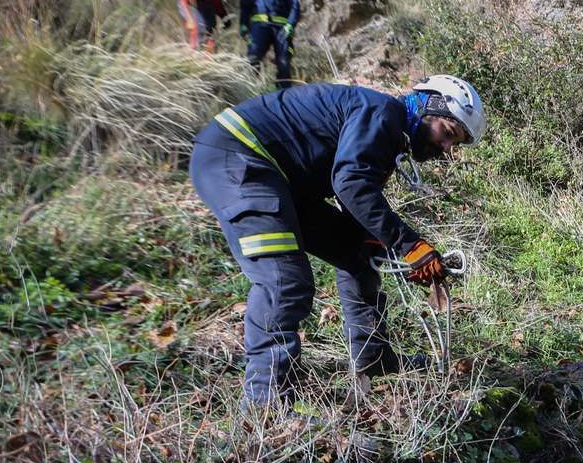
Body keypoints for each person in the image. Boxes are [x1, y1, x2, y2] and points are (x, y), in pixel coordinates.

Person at [188, 76, 484, 408]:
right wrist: (409, 245)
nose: (446, 148)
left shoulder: (388, 128)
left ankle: (373, 359)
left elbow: (353, 191)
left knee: (361, 248)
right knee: (285, 280)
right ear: (429, 108)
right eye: (448, 132)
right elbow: (351, 183)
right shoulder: (383, 113)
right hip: (238, 156)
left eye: (453, 143)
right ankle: (264, 404)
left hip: (278, 177)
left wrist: (383, 239)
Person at [239, 0, 300, 89]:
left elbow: (295, 6)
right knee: (252, 61)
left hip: (282, 30)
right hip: (258, 29)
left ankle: (284, 97)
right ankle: (253, 94)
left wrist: (290, 25)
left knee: (284, 63)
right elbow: (245, 9)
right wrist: (243, 26)